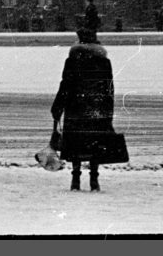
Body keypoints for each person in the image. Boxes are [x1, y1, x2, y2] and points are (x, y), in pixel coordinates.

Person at [50, 25, 116, 192]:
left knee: (75, 143)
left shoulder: (72, 61)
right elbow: (109, 89)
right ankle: (94, 178)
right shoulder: (104, 62)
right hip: (97, 107)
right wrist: (108, 112)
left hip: (75, 107)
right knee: (95, 142)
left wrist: (57, 107)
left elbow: (65, 85)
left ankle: (75, 178)